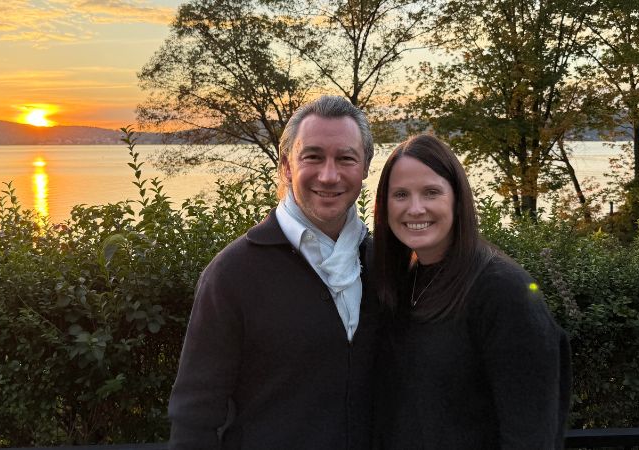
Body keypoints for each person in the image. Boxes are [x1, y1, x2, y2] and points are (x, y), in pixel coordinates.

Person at [168, 95, 380, 450]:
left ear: (365, 168)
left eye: (346, 158)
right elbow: (194, 416)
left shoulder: (381, 264)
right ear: (286, 166)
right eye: (313, 157)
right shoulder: (233, 274)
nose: (329, 175)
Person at [372, 134, 571, 449]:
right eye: (400, 195)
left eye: (431, 192)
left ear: (457, 198)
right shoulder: (402, 281)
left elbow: (531, 434)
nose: (415, 208)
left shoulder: (504, 292)